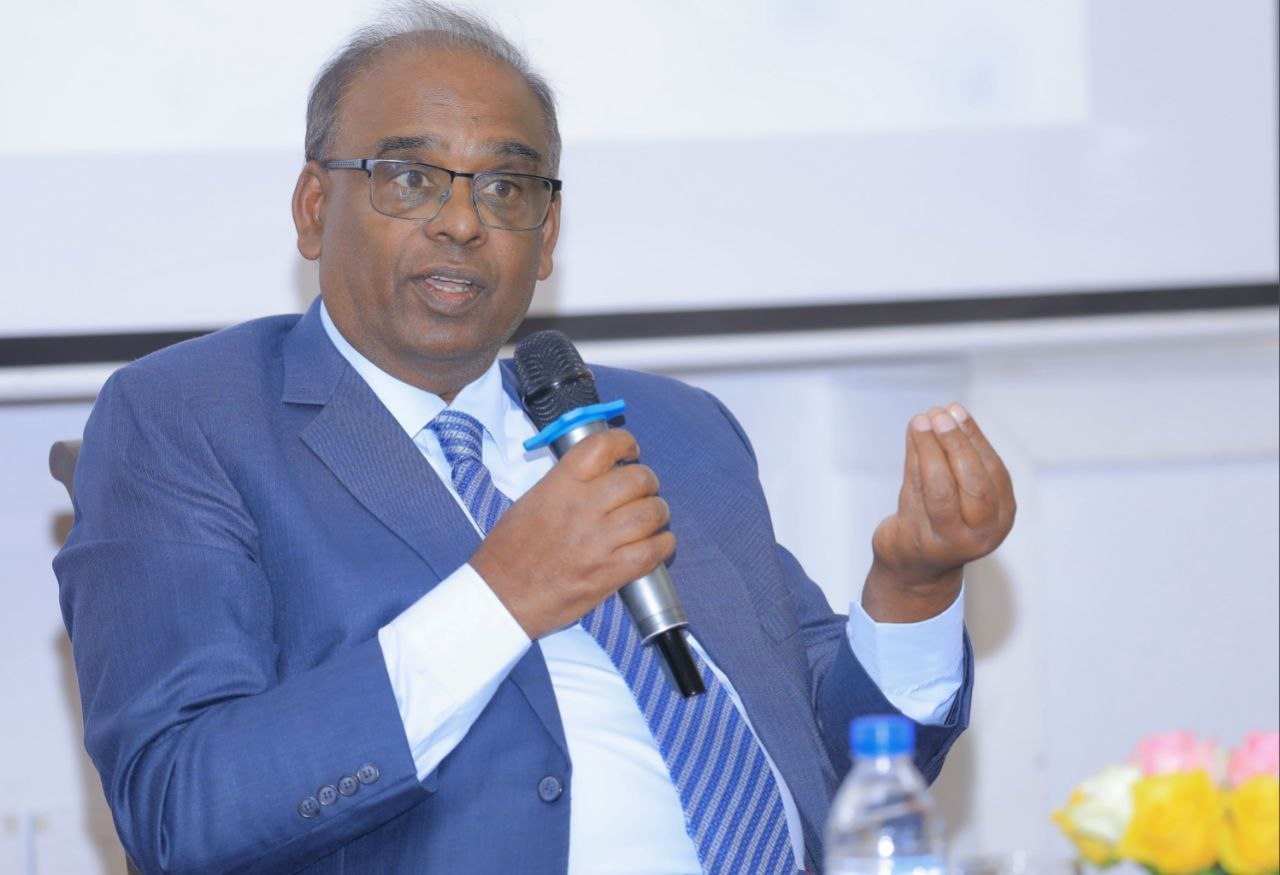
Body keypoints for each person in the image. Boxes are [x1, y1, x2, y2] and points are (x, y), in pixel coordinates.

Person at [55, 5, 1014, 873]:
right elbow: (180, 806)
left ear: (547, 236)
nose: (463, 222)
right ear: (314, 209)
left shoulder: (671, 428)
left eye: (507, 188)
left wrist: (915, 589)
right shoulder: (190, 417)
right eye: (411, 178)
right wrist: (502, 596)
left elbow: (850, 767)